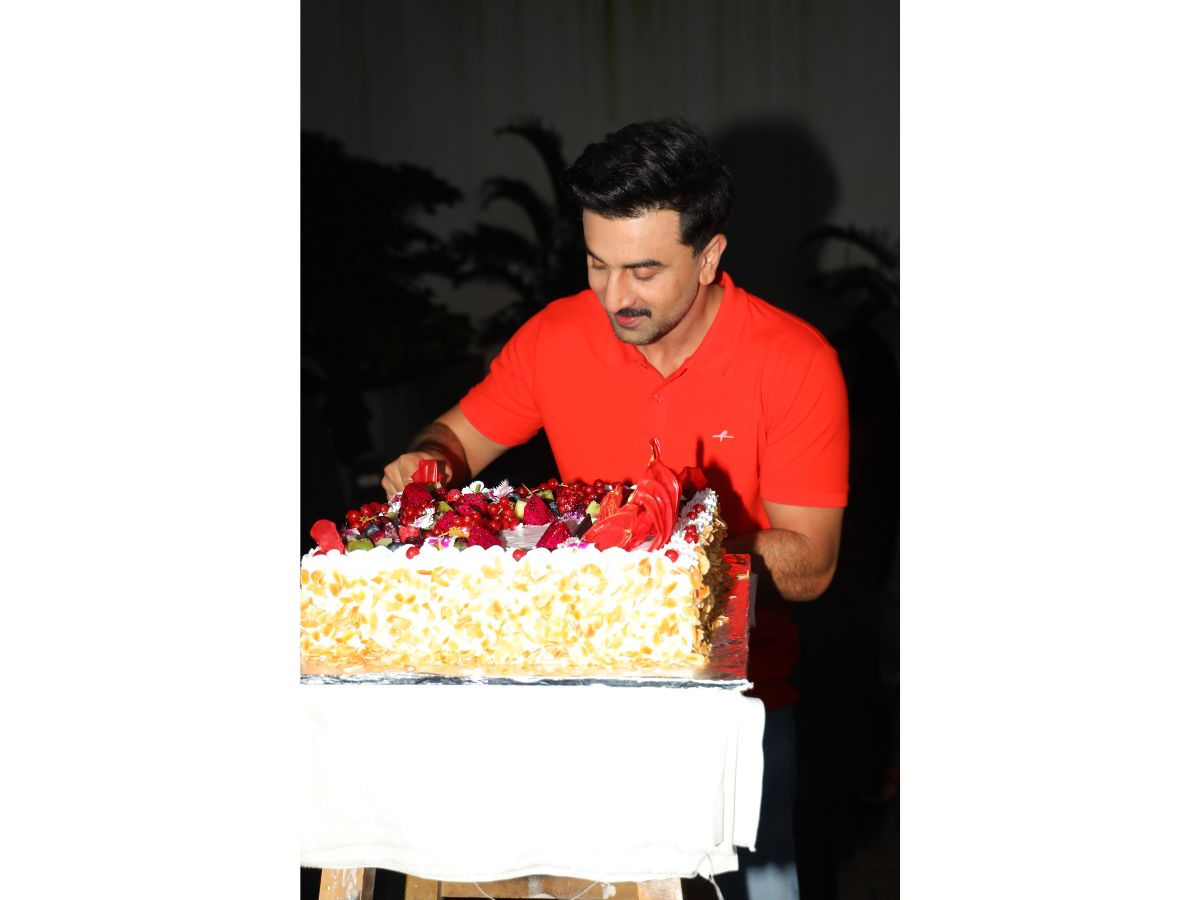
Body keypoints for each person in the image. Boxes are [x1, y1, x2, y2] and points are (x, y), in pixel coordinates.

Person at [382, 118, 849, 900]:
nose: (615, 296)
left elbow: (812, 565)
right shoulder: (556, 336)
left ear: (710, 256)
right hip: (580, 703)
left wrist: (668, 551)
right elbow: (452, 439)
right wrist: (428, 462)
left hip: (737, 707)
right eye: (597, 263)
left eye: (644, 271)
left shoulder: (795, 362)